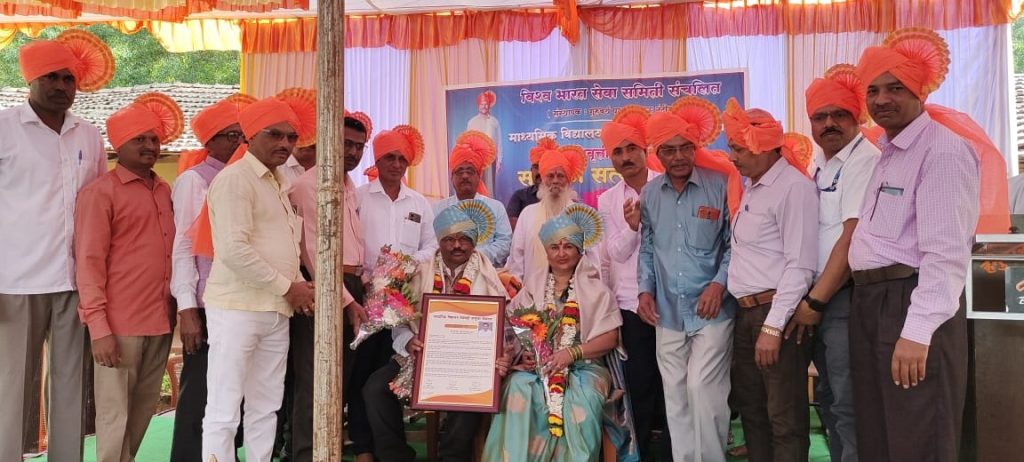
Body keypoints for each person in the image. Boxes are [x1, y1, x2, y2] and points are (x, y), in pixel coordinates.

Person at [849, 28, 986, 462]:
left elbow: (945, 254)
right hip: (872, 302)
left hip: (909, 304)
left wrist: (917, 331)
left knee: (918, 432)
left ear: (920, 91)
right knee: (880, 430)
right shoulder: (888, 152)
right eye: (873, 90)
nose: (881, 99)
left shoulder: (942, 152)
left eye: (895, 88)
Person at [0, 29, 114, 462]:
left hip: (75, 281)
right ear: (30, 81)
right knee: (12, 382)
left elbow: (100, 207)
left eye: (69, 79)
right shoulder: (5, 128)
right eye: (52, 77)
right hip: (15, 281)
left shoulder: (88, 135)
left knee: (70, 382)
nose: (62, 87)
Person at [200, 95, 316, 462]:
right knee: (224, 406)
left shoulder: (278, 183)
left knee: (266, 405)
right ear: (251, 137)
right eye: (274, 135)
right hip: (237, 308)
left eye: (291, 137)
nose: (284, 144)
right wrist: (290, 288)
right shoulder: (236, 180)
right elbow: (233, 251)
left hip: (275, 310)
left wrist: (300, 287)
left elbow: (285, 251)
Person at [75, 93, 181, 462]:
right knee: (113, 412)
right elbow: (88, 262)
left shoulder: (164, 190)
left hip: (161, 319)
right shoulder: (100, 193)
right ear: (119, 145)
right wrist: (98, 327)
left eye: (154, 139)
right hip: (119, 323)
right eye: (140, 139)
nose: (151, 146)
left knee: (142, 409)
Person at [364, 200, 509, 461]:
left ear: (474, 242)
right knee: (375, 388)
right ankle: (397, 457)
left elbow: (503, 327)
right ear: (439, 242)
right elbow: (400, 321)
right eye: (449, 239)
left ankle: (451, 458)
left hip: (471, 363)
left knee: (470, 397)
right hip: (421, 359)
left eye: (464, 239)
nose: (456, 245)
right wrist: (408, 341)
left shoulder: (488, 276)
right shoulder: (420, 272)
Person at [638, 97, 742, 462]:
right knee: (676, 395)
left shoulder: (722, 183)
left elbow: (735, 244)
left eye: (686, 148)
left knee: (704, 389)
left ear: (696, 148)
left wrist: (719, 283)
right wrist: (644, 291)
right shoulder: (650, 194)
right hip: (666, 310)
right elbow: (647, 248)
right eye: (670, 150)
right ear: (658, 155)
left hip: (712, 309)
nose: (679, 157)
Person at [483, 203, 622, 461]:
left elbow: (611, 337)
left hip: (585, 367)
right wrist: (521, 354)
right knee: (517, 388)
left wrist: (572, 353)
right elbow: (512, 330)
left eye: (568, 246)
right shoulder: (532, 288)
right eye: (554, 247)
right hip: (538, 368)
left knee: (581, 400)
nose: (561, 253)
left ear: (580, 251)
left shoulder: (597, 290)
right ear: (545, 251)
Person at [791, 65, 881, 462]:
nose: (829, 123)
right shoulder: (818, 164)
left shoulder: (865, 159)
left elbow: (851, 237)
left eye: (839, 114)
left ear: (857, 116)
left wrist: (815, 302)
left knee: (848, 401)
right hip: (818, 297)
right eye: (819, 117)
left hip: (843, 297)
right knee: (827, 396)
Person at [723, 98, 818, 462]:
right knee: (753, 413)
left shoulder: (793, 188)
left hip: (775, 313)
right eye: (731, 148)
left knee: (785, 417)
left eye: (738, 148)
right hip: (745, 314)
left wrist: (774, 328)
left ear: (764, 147)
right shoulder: (752, 186)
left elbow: (800, 265)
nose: (732, 157)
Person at [287, 111, 372, 462]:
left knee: (341, 379)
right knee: (315, 377)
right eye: (345, 144)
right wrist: (348, 301)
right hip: (323, 287)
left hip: (351, 283)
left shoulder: (350, 188)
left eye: (358, 147)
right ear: (326, 143)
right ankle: (306, 454)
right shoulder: (309, 186)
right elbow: (311, 251)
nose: (352, 152)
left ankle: (329, 449)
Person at [169, 95, 249, 462]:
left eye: (241, 135)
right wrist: (187, 309)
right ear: (209, 142)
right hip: (205, 303)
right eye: (229, 135)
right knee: (200, 391)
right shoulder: (193, 180)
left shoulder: (245, 176)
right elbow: (184, 248)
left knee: (231, 392)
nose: (237, 142)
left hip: (242, 301)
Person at [354, 124, 438, 460]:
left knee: (388, 377)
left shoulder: (418, 202)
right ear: (377, 158)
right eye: (390, 157)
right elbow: (350, 243)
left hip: (405, 303)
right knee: (361, 376)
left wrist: (406, 264)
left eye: (402, 158)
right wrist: (367, 274)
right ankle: (363, 448)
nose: (396, 164)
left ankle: (390, 447)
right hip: (364, 301)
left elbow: (431, 243)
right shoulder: (359, 196)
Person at [595, 105, 666, 459]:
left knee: (672, 383)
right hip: (629, 305)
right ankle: (644, 453)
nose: (625, 158)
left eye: (631, 149)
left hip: (670, 301)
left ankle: (672, 451)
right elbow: (615, 254)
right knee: (639, 384)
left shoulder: (667, 185)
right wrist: (633, 227)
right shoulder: (608, 200)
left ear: (645, 150)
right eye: (618, 152)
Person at [505, 137, 588, 281]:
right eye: (550, 176)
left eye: (560, 176)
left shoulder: (581, 215)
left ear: (568, 181)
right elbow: (517, 259)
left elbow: (592, 259)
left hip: (573, 297)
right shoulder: (527, 214)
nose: (555, 181)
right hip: (531, 295)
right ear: (542, 180)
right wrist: (517, 288)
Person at [434, 130, 513, 267]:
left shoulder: (495, 207)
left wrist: (474, 256)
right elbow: (432, 242)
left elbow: (504, 243)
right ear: (452, 177)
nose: (465, 176)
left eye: (470, 171)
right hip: (446, 275)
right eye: (459, 172)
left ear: (479, 176)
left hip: (487, 273)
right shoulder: (439, 208)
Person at [467, 90, 502, 192]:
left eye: (486, 104)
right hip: (475, 159)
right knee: (476, 183)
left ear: (489, 105)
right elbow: (468, 141)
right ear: (478, 105)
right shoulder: (472, 122)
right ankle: (476, 205)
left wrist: (499, 159)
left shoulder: (494, 121)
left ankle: (489, 205)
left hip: (491, 159)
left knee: (490, 186)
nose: (484, 106)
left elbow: (499, 142)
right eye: (482, 104)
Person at [506, 160, 541, 230]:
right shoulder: (519, 195)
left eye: (544, 167)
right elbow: (512, 226)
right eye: (536, 167)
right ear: (531, 171)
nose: (539, 172)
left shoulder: (562, 198)